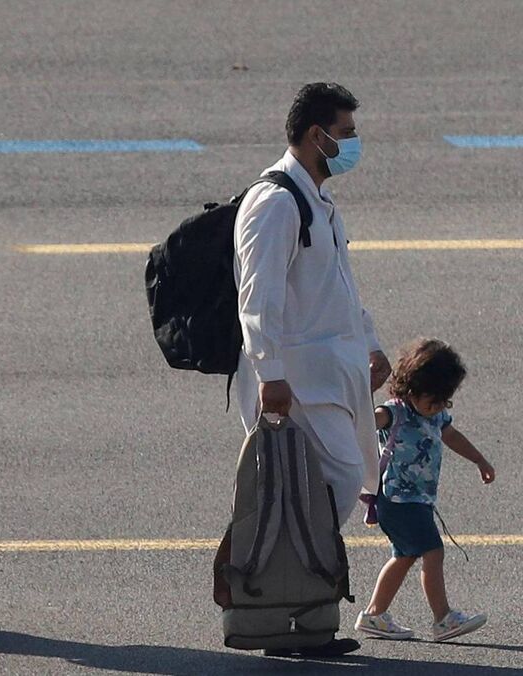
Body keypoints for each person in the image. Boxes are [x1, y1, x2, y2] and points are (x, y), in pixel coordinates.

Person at [224, 82, 390, 657]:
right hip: (292, 383)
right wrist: (269, 372)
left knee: (322, 491)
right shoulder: (274, 203)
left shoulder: (317, 200)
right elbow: (257, 297)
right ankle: (282, 605)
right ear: (316, 135)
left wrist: (369, 342)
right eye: (345, 134)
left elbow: (340, 284)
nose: (352, 144)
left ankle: (299, 614)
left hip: (329, 374)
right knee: (335, 481)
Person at [354, 339, 494, 642]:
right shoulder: (395, 413)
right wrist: (362, 395)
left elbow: (452, 436)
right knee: (432, 550)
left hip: (418, 499)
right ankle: (443, 618)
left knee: (404, 556)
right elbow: (366, 421)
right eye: (434, 400)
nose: (440, 407)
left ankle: (375, 615)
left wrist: (480, 460)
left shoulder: (436, 415)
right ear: (412, 388)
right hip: (397, 499)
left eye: (445, 400)